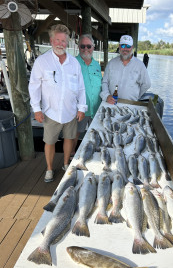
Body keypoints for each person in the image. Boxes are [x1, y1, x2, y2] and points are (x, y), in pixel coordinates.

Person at [29, 24, 87, 182]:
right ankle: (49, 169)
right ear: (51, 40)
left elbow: (81, 87)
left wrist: (81, 108)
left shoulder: (74, 63)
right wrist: (36, 109)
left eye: (64, 41)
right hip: (51, 111)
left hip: (70, 111)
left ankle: (66, 163)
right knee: (49, 141)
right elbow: (34, 86)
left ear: (67, 42)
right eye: (58, 40)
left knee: (69, 138)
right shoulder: (42, 61)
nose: (61, 43)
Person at [71, 34, 102, 157]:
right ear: (78, 47)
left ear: (93, 47)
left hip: (97, 108)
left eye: (88, 46)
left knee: (97, 134)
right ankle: (71, 155)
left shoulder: (97, 65)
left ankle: (96, 155)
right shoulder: (72, 63)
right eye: (82, 46)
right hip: (80, 109)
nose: (85, 49)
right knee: (75, 134)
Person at [100, 35, 151, 104]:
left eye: (128, 46)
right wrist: (107, 96)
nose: (125, 49)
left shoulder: (140, 65)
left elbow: (147, 84)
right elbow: (104, 82)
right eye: (123, 46)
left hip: (131, 104)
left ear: (132, 47)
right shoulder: (111, 63)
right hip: (111, 103)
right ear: (119, 46)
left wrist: (136, 96)